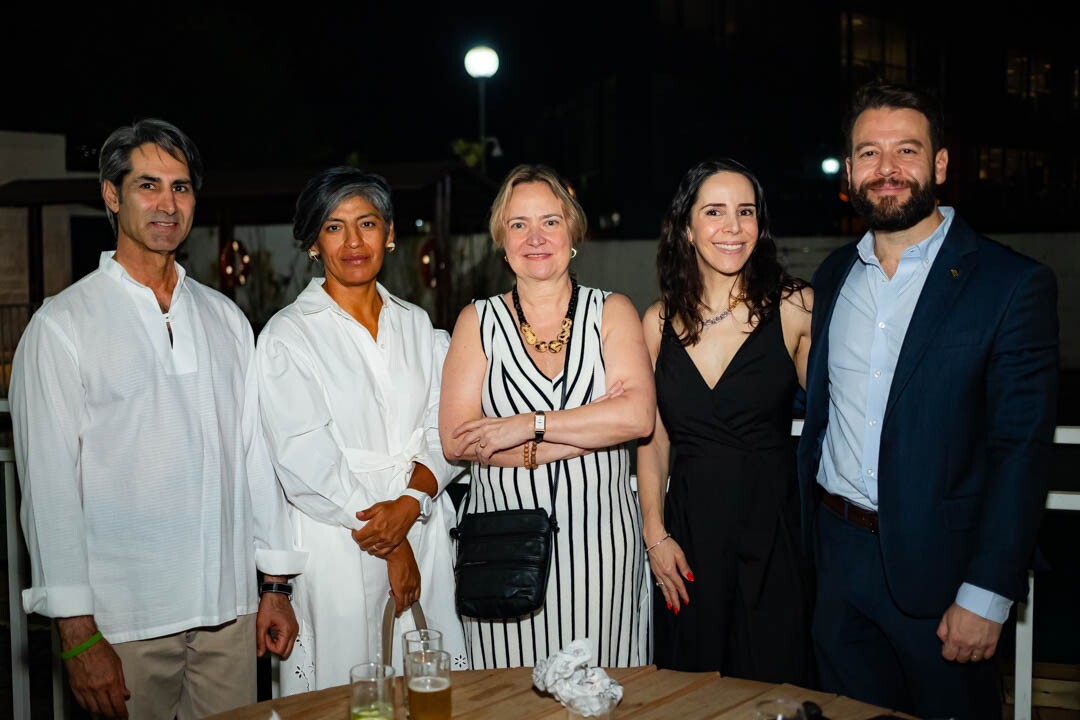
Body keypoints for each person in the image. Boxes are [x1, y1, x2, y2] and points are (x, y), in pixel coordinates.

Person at [8, 119, 306, 719]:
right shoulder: (63, 326)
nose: (167, 204)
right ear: (112, 195)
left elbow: (255, 459)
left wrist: (273, 586)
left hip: (229, 616)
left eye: (182, 187)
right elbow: (49, 489)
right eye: (148, 186)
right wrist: (77, 633)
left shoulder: (226, 319)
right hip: (123, 625)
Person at [797, 80, 1059, 719]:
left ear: (940, 165)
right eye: (868, 153)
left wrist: (989, 591)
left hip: (945, 577)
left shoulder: (1010, 284)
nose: (886, 170)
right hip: (836, 561)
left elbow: (1020, 450)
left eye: (906, 151)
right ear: (850, 170)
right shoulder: (834, 276)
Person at [255, 167, 468, 691]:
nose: (353, 241)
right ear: (312, 242)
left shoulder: (419, 326)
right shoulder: (288, 336)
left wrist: (411, 506)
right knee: (345, 686)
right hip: (338, 540)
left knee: (426, 682)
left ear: (390, 234)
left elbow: (445, 430)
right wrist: (393, 542)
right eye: (333, 227)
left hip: (421, 527)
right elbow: (305, 460)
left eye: (367, 223)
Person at [440, 164, 656, 668]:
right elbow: (458, 442)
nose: (535, 238)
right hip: (504, 553)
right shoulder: (477, 322)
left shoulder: (613, 311)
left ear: (572, 231)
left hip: (601, 548)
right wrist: (589, 431)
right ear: (501, 237)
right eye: (519, 224)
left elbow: (638, 417)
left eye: (550, 222)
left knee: (601, 692)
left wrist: (525, 427)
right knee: (507, 699)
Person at [637, 158, 814, 681]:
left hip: (774, 537)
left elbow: (844, 418)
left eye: (746, 212)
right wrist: (655, 534)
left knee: (773, 692)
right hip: (688, 540)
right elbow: (653, 440)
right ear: (687, 228)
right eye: (714, 212)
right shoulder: (658, 321)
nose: (732, 227)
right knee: (690, 694)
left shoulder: (795, 307)